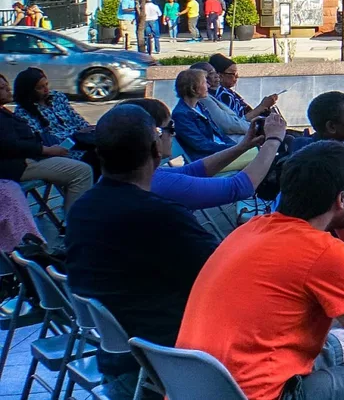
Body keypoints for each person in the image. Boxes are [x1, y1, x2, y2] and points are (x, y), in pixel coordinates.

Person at [178, 141, 344, 400]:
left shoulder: (249, 230)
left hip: (206, 388)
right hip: (265, 394)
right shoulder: (321, 252)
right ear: (341, 200)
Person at [66, 104, 220, 400]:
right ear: (156, 150)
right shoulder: (160, 216)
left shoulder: (81, 209)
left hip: (119, 367)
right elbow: (223, 274)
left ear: (100, 155)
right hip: (170, 373)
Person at [126, 97, 286, 211]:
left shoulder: (134, 175)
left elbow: (192, 171)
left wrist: (242, 146)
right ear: (155, 135)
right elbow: (238, 188)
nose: (174, 135)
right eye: (171, 128)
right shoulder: (155, 183)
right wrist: (273, 140)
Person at [0, 73, 93, 210]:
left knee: (101, 153)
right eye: (2, 88)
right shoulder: (18, 112)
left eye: (6, 85)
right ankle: (74, 223)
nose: (8, 89)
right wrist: (46, 150)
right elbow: (11, 145)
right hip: (21, 163)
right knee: (83, 171)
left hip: (34, 154)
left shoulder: (5, 111)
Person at [13, 67, 99, 171]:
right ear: (29, 91)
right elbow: (42, 140)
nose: (46, 90)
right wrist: (75, 135)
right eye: (40, 88)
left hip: (82, 139)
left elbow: (76, 118)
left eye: (46, 85)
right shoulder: (23, 112)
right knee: (94, 158)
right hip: (62, 149)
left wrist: (89, 130)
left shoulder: (57, 97)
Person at [173, 69, 256, 167]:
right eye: (204, 82)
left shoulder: (200, 106)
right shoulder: (181, 115)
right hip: (206, 161)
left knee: (263, 152)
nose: (208, 85)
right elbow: (202, 145)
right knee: (262, 158)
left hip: (221, 153)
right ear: (193, 88)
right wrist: (235, 149)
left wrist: (235, 147)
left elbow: (219, 133)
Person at [209, 54, 281, 122]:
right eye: (233, 74)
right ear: (220, 76)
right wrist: (262, 106)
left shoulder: (228, 92)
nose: (237, 77)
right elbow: (238, 122)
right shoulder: (221, 95)